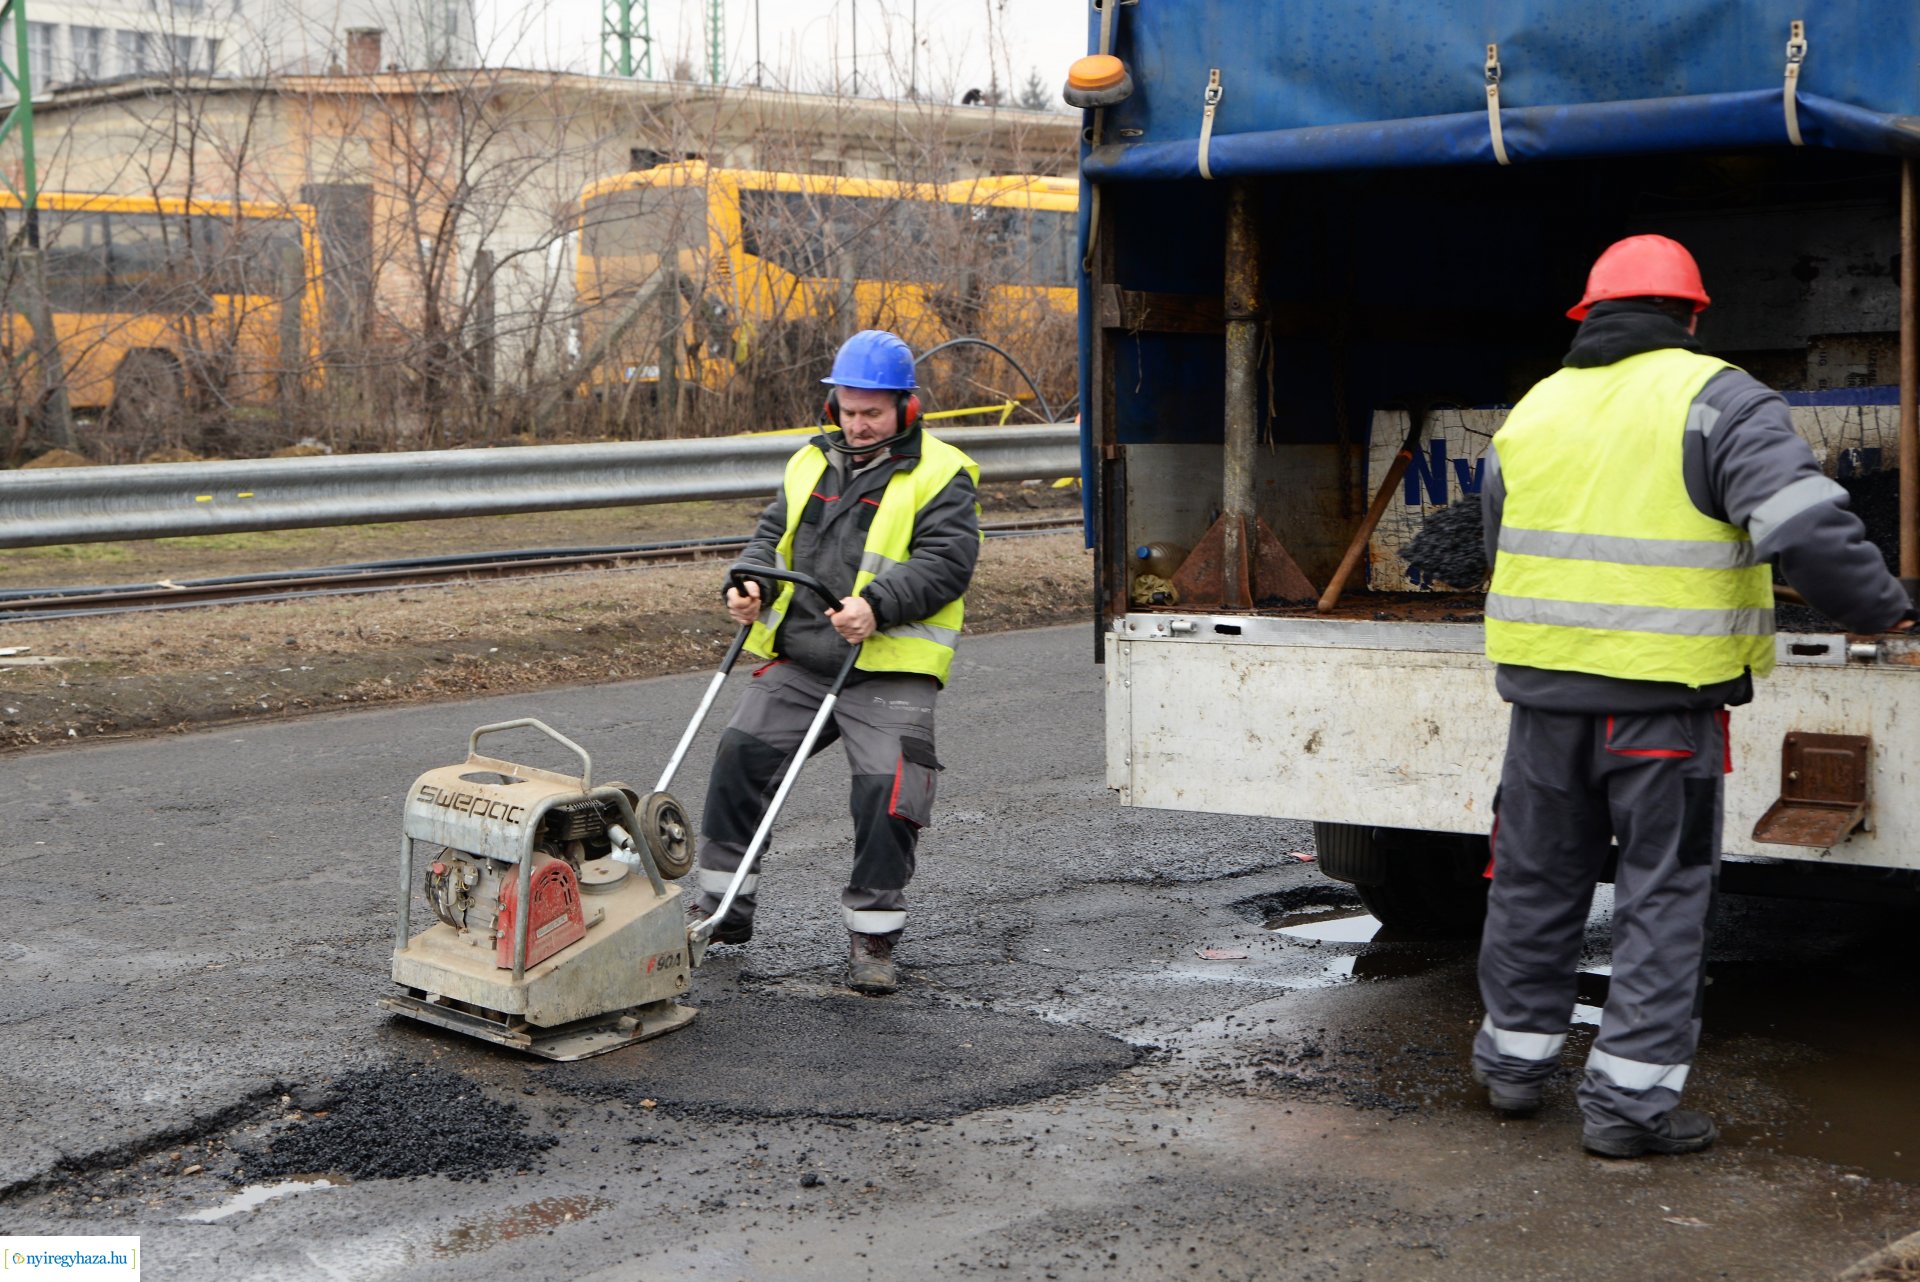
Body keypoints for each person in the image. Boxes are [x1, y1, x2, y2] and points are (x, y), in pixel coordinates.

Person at [1473, 234, 1917, 1157]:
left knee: (1532, 882)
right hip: (1663, 714)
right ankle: (1628, 1113)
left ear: (1587, 316)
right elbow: (1801, 525)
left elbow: (1499, 541)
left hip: (1544, 704)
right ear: (1692, 313)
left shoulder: (1536, 408)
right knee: (1661, 898)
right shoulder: (1719, 399)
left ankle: (1512, 1073)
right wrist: (1887, 612)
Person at [688, 329, 981, 996]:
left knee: (887, 792)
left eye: (871, 413)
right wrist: (752, 587)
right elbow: (773, 535)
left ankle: (873, 935)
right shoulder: (810, 462)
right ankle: (722, 910)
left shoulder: (943, 472)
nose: (857, 424)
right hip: (804, 656)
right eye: (847, 410)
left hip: (888, 662)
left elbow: (947, 563)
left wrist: (878, 603)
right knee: (739, 758)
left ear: (905, 406)